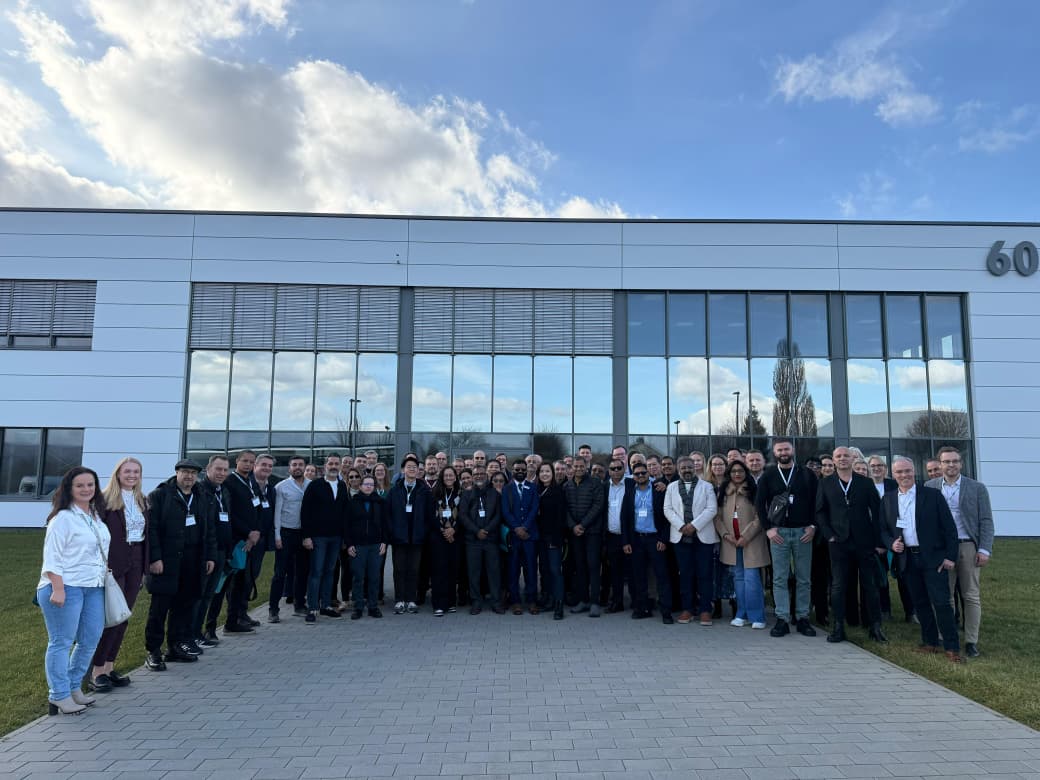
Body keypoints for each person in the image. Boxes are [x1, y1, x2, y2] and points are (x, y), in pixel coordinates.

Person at [37, 467, 109, 715]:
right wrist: (58, 589)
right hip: (65, 587)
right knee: (61, 641)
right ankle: (59, 695)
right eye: (80, 485)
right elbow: (52, 557)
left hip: (93, 587)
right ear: (69, 488)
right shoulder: (63, 518)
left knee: (90, 639)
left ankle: (73, 686)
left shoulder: (94, 515)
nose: (86, 489)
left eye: (90, 485)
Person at [881, 457, 962, 662]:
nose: (904, 475)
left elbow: (949, 529)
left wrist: (950, 557)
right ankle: (930, 642)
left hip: (933, 558)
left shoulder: (932, 495)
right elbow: (882, 529)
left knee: (941, 603)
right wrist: (891, 543)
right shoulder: (888, 499)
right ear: (893, 475)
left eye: (907, 471)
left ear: (914, 471)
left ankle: (952, 647)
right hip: (907, 559)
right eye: (899, 472)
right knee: (920, 602)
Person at [144, 460, 217, 670]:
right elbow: (151, 529)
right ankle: (153, 651)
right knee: (159, 608)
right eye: (185, 472)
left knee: (184, 605)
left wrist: (210, 556)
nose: (189, 476)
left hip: (193, 559)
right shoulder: (160, 495)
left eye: (193, 473)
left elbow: (209, 529)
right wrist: (154, 558)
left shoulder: (201, 496)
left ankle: (175, 646)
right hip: (167, 560)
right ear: (176, 473)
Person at [926, 446, 994, 658]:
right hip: (942, 548)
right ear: (940, 464)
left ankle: (971, 641)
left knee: (971, 595)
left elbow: (986, 520)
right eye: (946, 461)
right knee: (944, 595)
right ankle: (945, 636)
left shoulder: (977, 488)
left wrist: (984, 549)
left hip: (967, 546)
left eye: (955, 461)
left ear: (961, 463)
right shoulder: (930, 486)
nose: (951, 465)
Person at [88, 458, 147, 693]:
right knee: (111, 616)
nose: (132, 475)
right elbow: (96, 535)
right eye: (127, 471)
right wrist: (101, 565)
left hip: (136, 560)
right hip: (113, 562)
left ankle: (110, 667)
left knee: (123, 616)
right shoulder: (104, 500)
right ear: (118, 474)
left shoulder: (142, 500)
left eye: (136, 471)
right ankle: (96, 671)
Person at [816, 446, 887, 644]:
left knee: (870, 585)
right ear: (834, 460)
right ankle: (838, 626)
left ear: (852, 458)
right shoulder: (825, 483)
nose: (842, 459)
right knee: (838, 586)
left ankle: (875, 626)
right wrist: (829, 535)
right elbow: (820, 511)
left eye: (846, 455)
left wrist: (879, 541)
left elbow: (877, 512)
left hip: (864, 542)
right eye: (838, 456)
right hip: (838, 542)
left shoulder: (865, 482)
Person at [755, 439, 819, 638]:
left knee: (803, 578)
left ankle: (802, 618)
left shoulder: (807, 474)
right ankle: (782, 618)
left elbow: (817, 502)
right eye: (779, 450)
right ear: (775, 453)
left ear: (792, 450)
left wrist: (813, 526)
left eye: (786, 449)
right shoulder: (768, 475)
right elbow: (759, 504)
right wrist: (768, 529)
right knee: (780, 578)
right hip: (779, 533)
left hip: (803, 532)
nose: (783, 452)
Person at [664, 456, 717, 626]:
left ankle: (705, 610)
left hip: (702, 536)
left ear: (694, 468)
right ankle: (687, 609)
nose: (687, 470)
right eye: (683, 468)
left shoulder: (707, 486)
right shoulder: (672, 487)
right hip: (680, 537)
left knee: (704, 574)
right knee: (685, 574)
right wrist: (681, 526)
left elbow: (712, 509)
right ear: (678, 470)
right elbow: (667, 509)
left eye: (689, 467)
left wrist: (694, 525)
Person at [715, 460, 768, 629]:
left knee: (752, 579)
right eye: (733, 471)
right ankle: (741, 614)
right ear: (729, 474)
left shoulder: (754, 490)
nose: (737, 474)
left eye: (740, 471)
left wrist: (746, 536)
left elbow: (760, 517)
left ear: (746, 473)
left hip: (751, 542)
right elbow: (717, 517)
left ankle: (757, 616)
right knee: (738, 579)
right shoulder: (723, 492)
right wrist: (726, 535)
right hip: (731, 543)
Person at [300, 453, 350, 624]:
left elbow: (344, 512)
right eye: (331, 463)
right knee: (316, 572)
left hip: (336, 537)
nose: (334, 466)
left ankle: (326, 605)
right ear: (325, 466)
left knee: (330, 571)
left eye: (336, 463)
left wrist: (344, 537)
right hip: (318, 537)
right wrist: (306, 536)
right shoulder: (315, 485)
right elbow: (305, 511)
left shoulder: (342, 486)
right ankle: (312, 607)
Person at [622, 463, 673, 624]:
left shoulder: (659, 490)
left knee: (662, 576)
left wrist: (663, 539)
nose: (640, 476)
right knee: (639, 576)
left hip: (655, 539)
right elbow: (625, 518)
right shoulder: (630, 492)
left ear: (648, 474)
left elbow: (667, 517)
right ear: (633, 476)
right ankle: (642, 608)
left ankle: (666, 611)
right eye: (637, 474)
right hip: (637, 539)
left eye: (643, 473)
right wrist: (626, 542)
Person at [388, 455, 433, 614]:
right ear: (403, 470)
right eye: (409, 467)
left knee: (414, 569)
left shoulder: (424, 491)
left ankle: (411, 600)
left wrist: (423, 532)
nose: (412, 469)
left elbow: (429, 515)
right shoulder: (394, 490)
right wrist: (392, 532)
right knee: (399, 569)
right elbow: (389, 514)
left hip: (417, 537)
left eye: (415, 467)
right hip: (399, 537)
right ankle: (400, 600)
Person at [223, 451, 260, 633]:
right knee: (234, 583)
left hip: (251, 539)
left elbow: (256, 509)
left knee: (244, 582)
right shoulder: (230, 482)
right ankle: (231, 621)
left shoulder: (251, 481)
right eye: (244, 461)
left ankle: (240, 615)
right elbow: (231, 513)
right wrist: (248, 533)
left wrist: (256, 533)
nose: (248, 465)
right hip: (237, 540)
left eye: (251, 462)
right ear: (237, 461)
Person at [196, 455, 231, 646]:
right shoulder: (201, 491)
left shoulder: (223, 491)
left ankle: (200, 633)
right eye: (218, 469)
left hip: (221, 550)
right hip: (206, 551)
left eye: (225, 470)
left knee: (209, 594)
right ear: (208, 469)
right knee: (199, 595)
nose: (222, 473)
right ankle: (192, 634)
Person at [459, 465, 504, 614]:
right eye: (476, 474)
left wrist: (487, 530)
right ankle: (476, 602)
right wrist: (476, 531)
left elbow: (498, 515)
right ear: (472, 477)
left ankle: (496, 602)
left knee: (494, 572)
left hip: (491, 540)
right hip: (472, 540)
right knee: (474, 573)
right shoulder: (466, 494)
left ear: (487, 475)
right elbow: (463, 516)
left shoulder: (495, 494)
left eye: (482, 474)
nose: (479, 476)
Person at [564, 457, 604, 617]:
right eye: (576, 466)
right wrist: (573, 526)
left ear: (587, 466)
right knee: (580, 567)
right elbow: (565, 508)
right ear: (572, 467)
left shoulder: (595, 483)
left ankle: (595, 602)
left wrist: (583, 524)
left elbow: (598, 505)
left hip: (592, 532)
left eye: (582, 466)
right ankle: (583, 600)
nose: (579, 468)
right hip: (575, 533)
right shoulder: (567, 485)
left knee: (593, 566)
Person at [346, 475, 388, 619]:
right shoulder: (353, 503)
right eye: (366, 484)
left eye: (371, 484)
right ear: (360, 486)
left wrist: (384, 542)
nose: (369, 486)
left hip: (376, 545)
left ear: (374, 487)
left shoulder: (380, 502)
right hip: (358, 545)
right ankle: (358, 607)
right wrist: (349, 544)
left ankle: (373, 606)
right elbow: (347, 525)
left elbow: (386, 524)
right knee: (358, 577)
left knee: (374, 577)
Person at [272, 456, 309, 620]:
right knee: (280, 573)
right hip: (285, 533)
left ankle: (299, 605)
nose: (297, 467)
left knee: (301, 572)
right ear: (289, 468)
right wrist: (277, 535)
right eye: (294, 465)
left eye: (300, 464)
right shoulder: (281, 487)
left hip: (303, 534)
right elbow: (277, 513)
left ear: (305, 467)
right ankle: (273, 609)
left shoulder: (311, 485)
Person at [503, 458, 541, 614]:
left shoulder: (533, 487)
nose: (520, 472)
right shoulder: (507, 489)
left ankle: (531, 600)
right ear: (512, 471)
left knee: (531, 569)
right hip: (513, 536)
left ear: (527, 471)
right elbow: (505, 511)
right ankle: (515, 601)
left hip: (529, 536)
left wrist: (525, 527)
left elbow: (535, 508)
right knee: (513, 570)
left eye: (522, 470)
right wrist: (516, 528)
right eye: (517, 469)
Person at [535, 463, 568, 620]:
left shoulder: (558, 491)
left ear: (553, 474)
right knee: (544, 570)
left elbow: (561, 517)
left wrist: (557, 538)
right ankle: (548, 599)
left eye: (547, 471)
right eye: (542, 471)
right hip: (540, 537)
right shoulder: (537, 490)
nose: (544, 474)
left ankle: (559, 604)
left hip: (553, 537)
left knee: (555, 570)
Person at [430, 466, 462, 616]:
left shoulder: (461, 493)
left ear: (455, 477)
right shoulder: (434, 493)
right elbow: (430, 515)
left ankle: (450, 602)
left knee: (452, 570)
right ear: (442, 478)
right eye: (446, 475)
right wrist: (443, 530)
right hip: (438, 537)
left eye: (451, 475)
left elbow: (463, 515)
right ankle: (438, 604)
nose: (449, 478)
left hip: (455, 537)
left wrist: (453, 530)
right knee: (439, 571)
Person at [603, 459, 631, 612]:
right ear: (609, 470)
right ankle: (617, 601)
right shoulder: (604, 486)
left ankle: (637, 601)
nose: (615, 471)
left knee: (633, 570)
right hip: (612, 536)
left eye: (618, 468)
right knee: (615, 571)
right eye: (612, 468)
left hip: (629, 536)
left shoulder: (631, 483)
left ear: (624, 469)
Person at [251, 455, 277, 619]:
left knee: (253, 575)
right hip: (248, 539)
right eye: (264, 465)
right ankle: (235, 616)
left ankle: (242, 614)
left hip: (262, 540)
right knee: (241, 579)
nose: (267, 468)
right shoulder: (249, 486)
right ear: (255, 466)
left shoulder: (271, 489)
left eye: (270, 466)